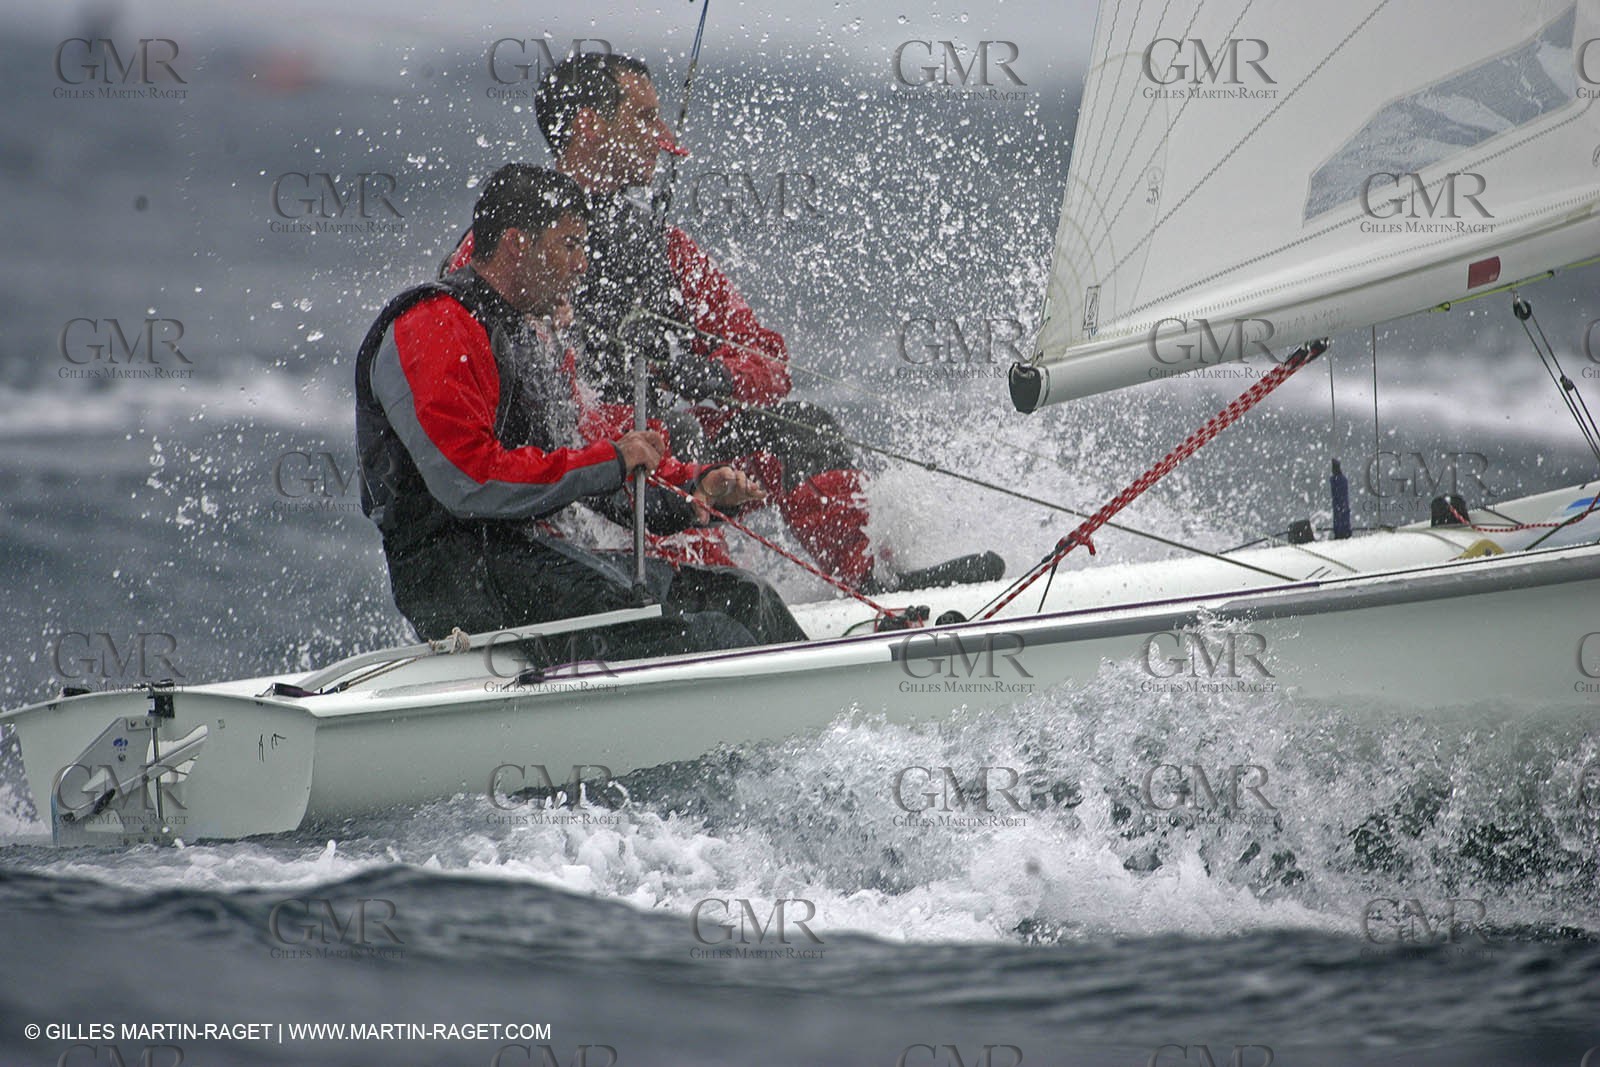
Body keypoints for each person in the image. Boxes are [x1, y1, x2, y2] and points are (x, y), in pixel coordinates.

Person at [442, 52, 1004, 595]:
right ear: (588, 126)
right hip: (566, 478)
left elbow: (768, 361)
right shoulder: (503, 247)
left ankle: (873, 586)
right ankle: (718, 598)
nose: (664, 139)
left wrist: (709, 376)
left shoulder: (663, 247)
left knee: (801, 427)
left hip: (662, 452)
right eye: (643, 118)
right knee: (674, 445)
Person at [356, 163, 807, 660]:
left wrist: (688, 491)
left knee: (743, 597)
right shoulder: (433, 326)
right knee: (702, 635)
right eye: (569, 245)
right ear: (516, 244)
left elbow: (576, 459)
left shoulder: (529, 335)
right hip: (458, 580)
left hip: (528, 561)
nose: (582, 264)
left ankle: (828, 710)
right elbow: (471, 481)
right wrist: (613, 459)